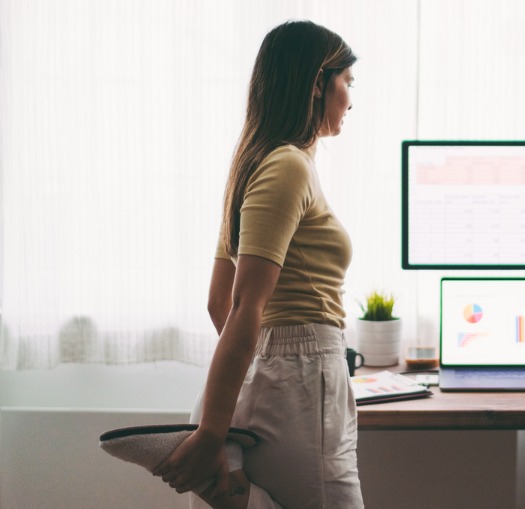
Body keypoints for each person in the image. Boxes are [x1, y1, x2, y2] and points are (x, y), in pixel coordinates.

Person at [152, 20, 362, 509]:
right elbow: (244, 305)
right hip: (301, 377)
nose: (351, 99)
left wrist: (258, 370)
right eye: (347, 82)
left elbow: (217, 302)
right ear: (317, 82)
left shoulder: (258, 162)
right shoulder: (288, 165)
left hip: (280, 373)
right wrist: (212, 431)